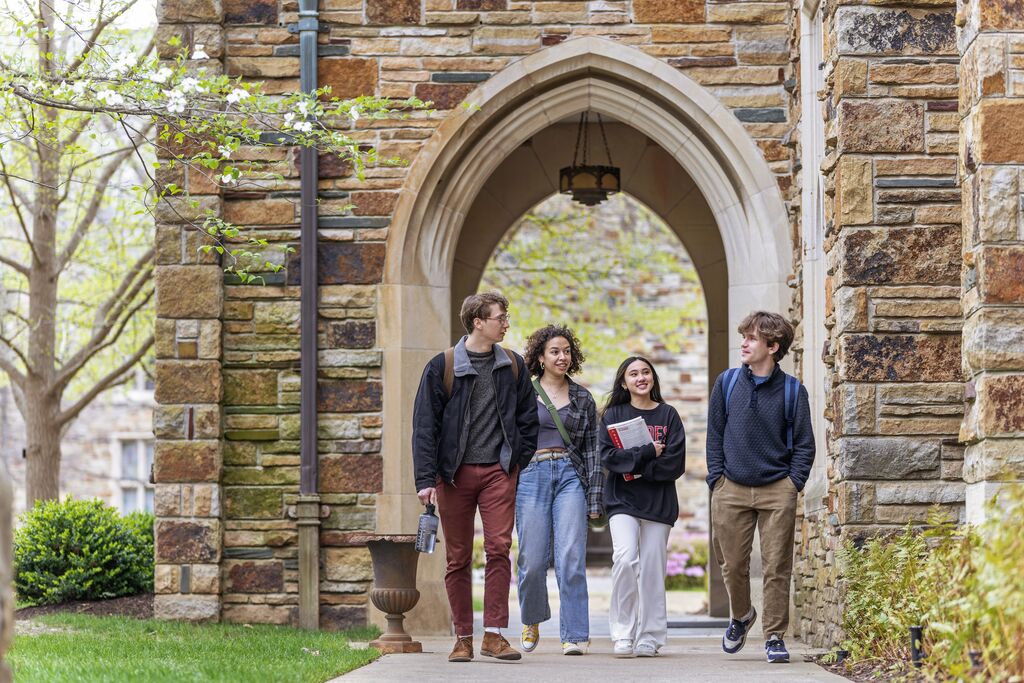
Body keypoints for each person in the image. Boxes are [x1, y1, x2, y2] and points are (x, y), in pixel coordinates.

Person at [412, 292, 539, 663]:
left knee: (499, 549)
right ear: (478, 322)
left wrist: (515, 462)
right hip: (453, 477)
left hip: (499, 472)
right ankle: (463, 638)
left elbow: (528, 420)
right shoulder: (443, 366)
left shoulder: (513, 365)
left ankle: (495, 636)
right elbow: (424, 428)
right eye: (501, 317)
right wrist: (425, 479)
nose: (506, 323)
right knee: (458, 557)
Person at [706, 311, 815, 664]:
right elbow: (715, 435)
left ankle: (773, 636)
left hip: (776, 490)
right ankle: (741, 616)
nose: (744, 343)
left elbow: (804, 444)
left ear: (773, 346)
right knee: (732, 564)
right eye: (744, 336)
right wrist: (717, 479)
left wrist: (792, 484)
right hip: (731, 487)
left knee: (776, 566)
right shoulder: (726, 383)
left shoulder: (793, 391)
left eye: (751, 338)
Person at [516, 325, 603, 656]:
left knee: (570, 557)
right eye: (554, 351)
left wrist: (595, 499)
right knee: (532, 559)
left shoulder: (582, 397)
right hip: (532, 473)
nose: (561, 356)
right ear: (541, 357)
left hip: (570, 474)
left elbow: (593, 453)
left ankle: (575, 634)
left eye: (566, 351)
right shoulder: (523, 392)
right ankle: (532, 618)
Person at [598, 356, 685, 658]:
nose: (640, 378)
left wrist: (634, 466)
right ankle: (623, 633)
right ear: (624, 382)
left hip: (659, 504)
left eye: (645, 372)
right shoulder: (613, 414)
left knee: (651, 569)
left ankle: (650, 636)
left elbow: (674, 464)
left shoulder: (668, 415)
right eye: (633, 374)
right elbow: (609, 458)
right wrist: (649, 452)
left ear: (652, 378)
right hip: (622, 500)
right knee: (624, 558)